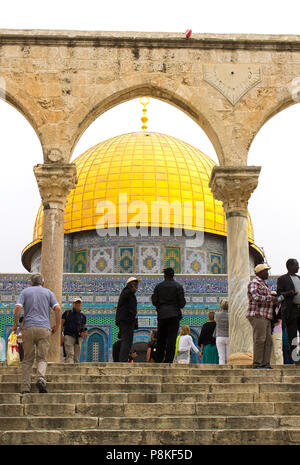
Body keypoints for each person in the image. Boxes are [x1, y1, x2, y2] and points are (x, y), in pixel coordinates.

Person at [12, 273, 61, 394]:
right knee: (42, 358)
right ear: (43, 283)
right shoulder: (48, 293)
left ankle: (25, 387)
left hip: (28, 328)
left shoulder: (25, 292)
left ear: (31, 283)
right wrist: (57, 325)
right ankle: (40, 379)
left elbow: (18, 308)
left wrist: (15, 325)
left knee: (27, 359)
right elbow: (58, 309)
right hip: (44, 328)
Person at [151, 267, 186, 363]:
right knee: (171, 339)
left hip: (162, 315)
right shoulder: (178, 286)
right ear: (173, 275)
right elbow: (182, 303)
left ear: (164, 275)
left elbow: (154, 301)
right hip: (174, 315)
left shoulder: (159, 286)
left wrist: (161, 307)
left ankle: (158, 360)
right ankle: (168, 361)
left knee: (161, 338)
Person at [247, 263, 277, 369]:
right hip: (258, 314)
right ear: (260, 272)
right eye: (266, 271)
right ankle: (257, 363)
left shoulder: (263, 284)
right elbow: (255, 296)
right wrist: (270, 298)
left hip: (266, 316)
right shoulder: (254, 282)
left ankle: (265, 363)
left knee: (268, 340)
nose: (267, 273)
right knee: (260, 339)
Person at [277, 259, 300, 363]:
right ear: (290, 266)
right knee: (292, 337)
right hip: (291, 312)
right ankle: (294, 360)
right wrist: (288, 293)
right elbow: (279, 297)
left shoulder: (299, 278)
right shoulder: (282, 279)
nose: (298, 267)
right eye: (296, 265)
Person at [116, 277, 140, 363]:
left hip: (128, 321)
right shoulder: (126, 291)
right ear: (131, 284)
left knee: (128, 341)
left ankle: (124, 359)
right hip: (126, 321)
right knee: (126, 341)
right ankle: (122, 361)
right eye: (135, 284)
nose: (137, 287)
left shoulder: (131, 294)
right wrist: (130, 289)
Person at [61, 297, 88, 364]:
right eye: (76, 302)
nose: (77, 304)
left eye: (79, 302)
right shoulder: (67, 313)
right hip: (69, 336)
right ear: (73, 303)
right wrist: (61, 335)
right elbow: (61, 324)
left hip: (78, 338)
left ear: (81, 304)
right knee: (70, 354)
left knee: (76, 356)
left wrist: (84, 332)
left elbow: (84, 326)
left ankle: (74, 371)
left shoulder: (83, 316)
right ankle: (69, 371)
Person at [270, 291, 283, 365]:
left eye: (275, 296)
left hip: (277, 331)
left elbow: (282, 298)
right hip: (270, 330)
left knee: (277, 351)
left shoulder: (280, 307)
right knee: (271, 352)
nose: (273, 298)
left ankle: (280, 366)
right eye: (272, 296)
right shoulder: (270, 307)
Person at [215, 299, 229, 365]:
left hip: (219, 337)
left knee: (221, 357)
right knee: (228, 357)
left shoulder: (217, 315)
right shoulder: (231, 315)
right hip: (228, 337)